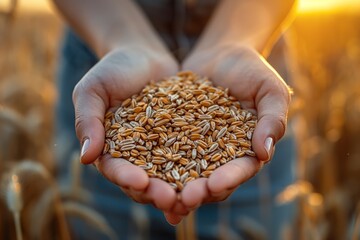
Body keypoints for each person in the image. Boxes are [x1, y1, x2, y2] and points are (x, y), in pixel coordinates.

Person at [53, 0, 298, 239]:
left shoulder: (232, 125)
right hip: (100, 43)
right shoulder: (130, 125)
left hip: (249, 64)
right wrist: (121, 37)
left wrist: (235, 39)